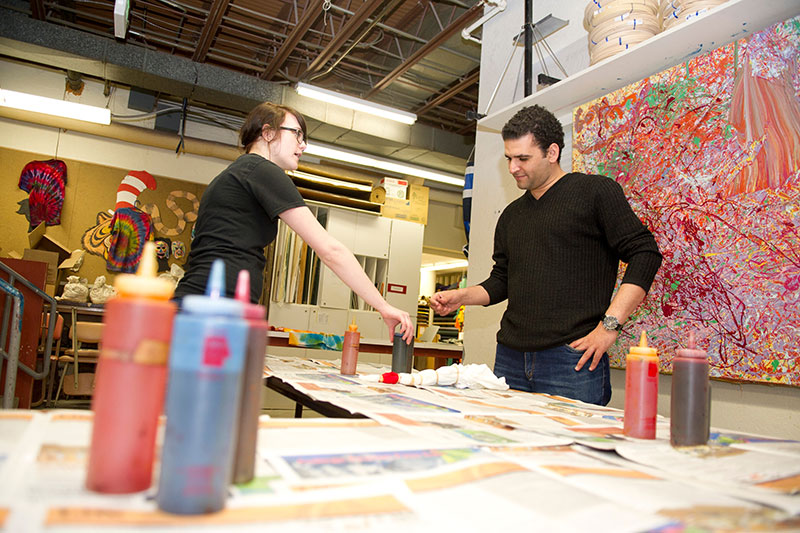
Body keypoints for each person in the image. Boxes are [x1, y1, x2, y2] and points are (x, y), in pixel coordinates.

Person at [429, 105, 662, 405]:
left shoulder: (596, 192)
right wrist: (462, 297)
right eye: (509, 158)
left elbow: (645, 253)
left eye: (523, 158)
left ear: (552, 152)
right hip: (510, 360)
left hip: (571, 361)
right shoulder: (512, 216)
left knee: (572, 450)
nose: (513, 167)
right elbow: (502, 280)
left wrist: (609, 327)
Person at [174, 102, 413, 342]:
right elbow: (330, 250)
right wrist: (383, 306)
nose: (304, 144)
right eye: (297, 133)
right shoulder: (261, 170)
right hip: (213, 310)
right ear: (267, 133)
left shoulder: (238, 173)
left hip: (204, 306)